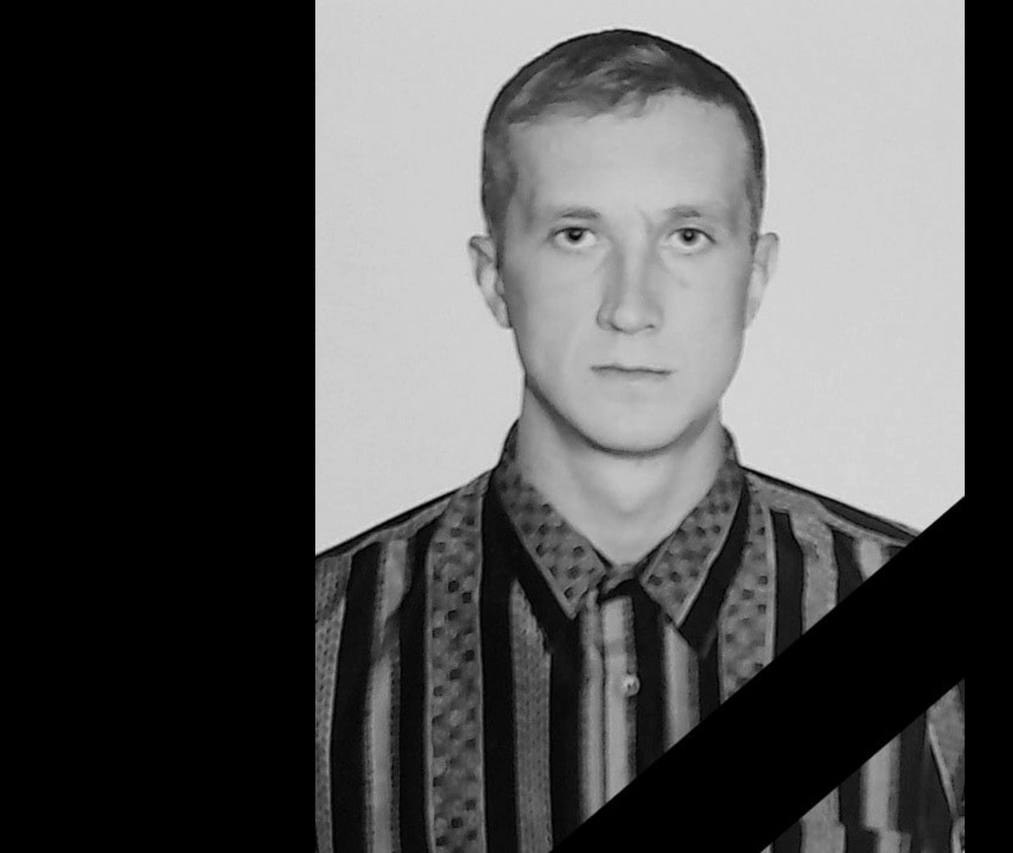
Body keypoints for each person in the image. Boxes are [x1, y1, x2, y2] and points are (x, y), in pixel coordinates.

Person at [315, 28, 963, 853]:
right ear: (493, 277)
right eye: (576, 235)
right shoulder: (328, 648)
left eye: (687, 236)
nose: (630, 306)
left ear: (755, 275)